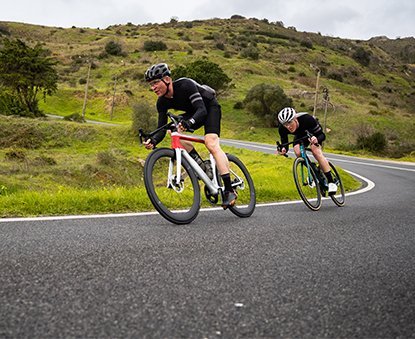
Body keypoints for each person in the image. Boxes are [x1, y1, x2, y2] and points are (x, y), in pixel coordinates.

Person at [143, 63, 237, 208]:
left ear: (167, 79)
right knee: (172, 130)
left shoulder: (185, 85)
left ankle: (229, 190)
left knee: (211, 143)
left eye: (155, 83)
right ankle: (201, 165)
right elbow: (161, 129)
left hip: (209, 108)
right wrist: (153, 140)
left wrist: (188, 123)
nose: (153, 87)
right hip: (194, 112)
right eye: (151, 84)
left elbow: (201, 110)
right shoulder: (161, 102)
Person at [276, 107, 338, 194]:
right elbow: (285, 144)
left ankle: (331, 182)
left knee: (315, 151)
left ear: (295, 119)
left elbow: (322, 135)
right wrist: (283, 149)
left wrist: (316, 139)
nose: (288, 126)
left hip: (314, 133)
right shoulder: (282, 129)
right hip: (300, 136)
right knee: (297, 151)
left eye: (290, 122)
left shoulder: (307, 119)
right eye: (285, 124)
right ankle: (313, 170)